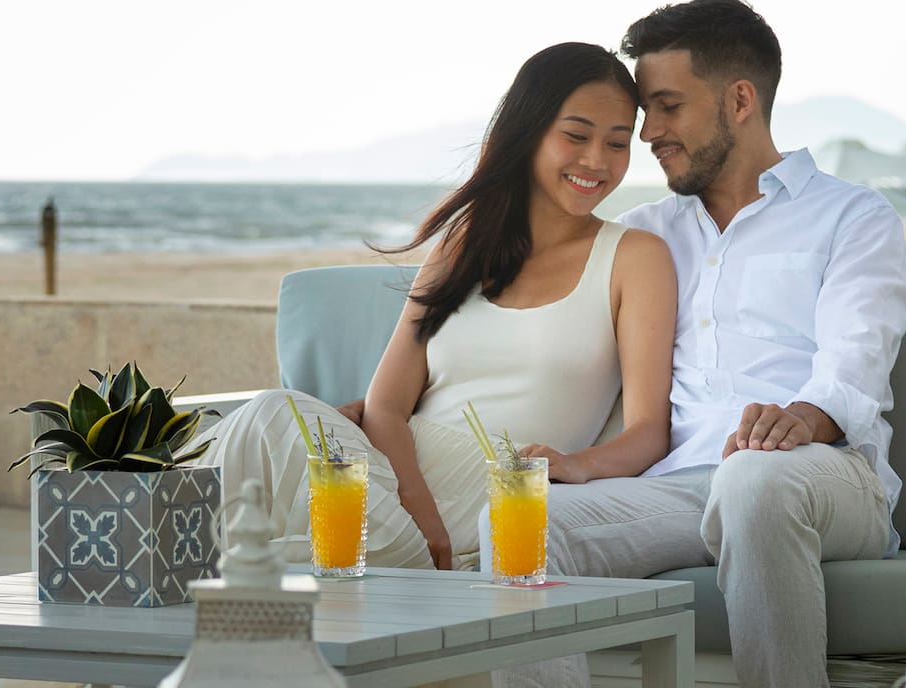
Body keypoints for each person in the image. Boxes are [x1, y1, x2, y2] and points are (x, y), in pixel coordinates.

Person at [451, 0, 906, 688]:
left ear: (739, 100)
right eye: (643, 112)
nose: (646, 132)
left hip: (825, 475)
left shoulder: (851, 216)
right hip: (680, 483)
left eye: (665, 108)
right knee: (520, 523)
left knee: (755, 482)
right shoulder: (648, 234)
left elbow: (858, 355)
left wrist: (807, 414)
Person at [199, 42, 676, 576]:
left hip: (492, 501)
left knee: (263, 480)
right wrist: (415, 505)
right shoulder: (464, 245)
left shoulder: (634, 257)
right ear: (528, 133)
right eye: (576, 135)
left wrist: (574, 466)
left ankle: (178, 570)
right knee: (268, 421)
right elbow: (386, 405)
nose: (597, 161)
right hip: (397, 486)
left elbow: (647, 432)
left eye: (617, 143)